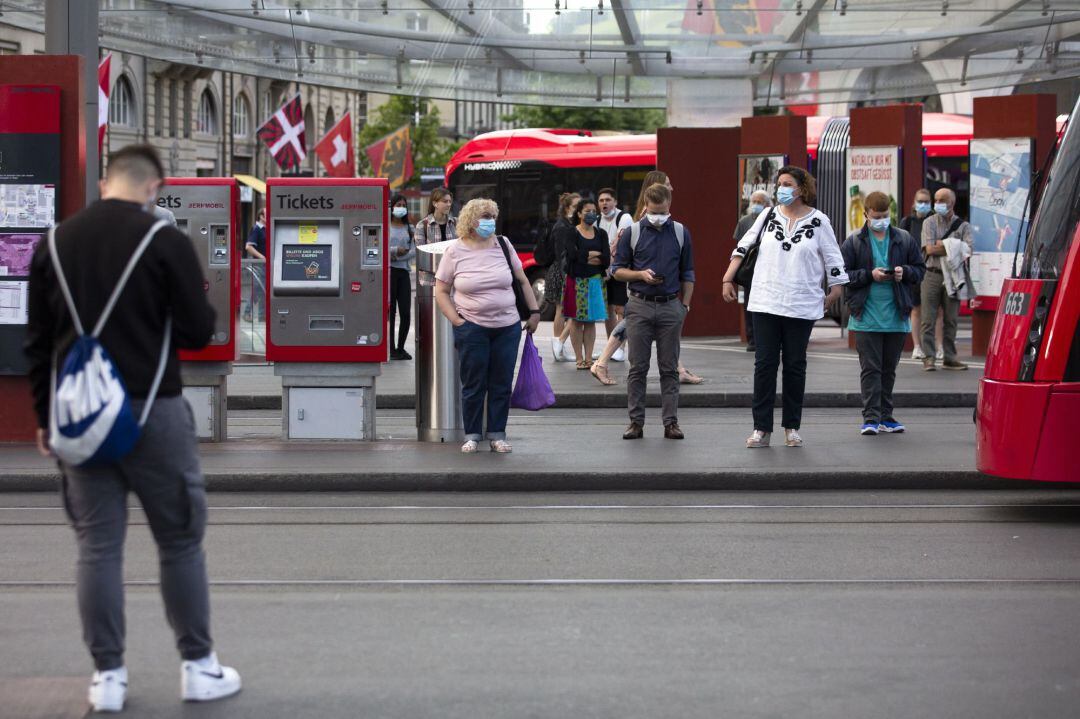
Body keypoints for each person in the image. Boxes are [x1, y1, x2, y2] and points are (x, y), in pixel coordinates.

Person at [23, 144, 241, 713]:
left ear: (104, 183)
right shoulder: (164, 240)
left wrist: (47, 419)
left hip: (80, 419)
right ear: (153, 187)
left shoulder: (52, 243)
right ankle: (198, 667)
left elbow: (38, 345)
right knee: (179, 541)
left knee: (97, 548)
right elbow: (198, 333)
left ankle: (109, 679)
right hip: (154, 412)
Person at [722, 165, 847, 449]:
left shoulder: (819, 221)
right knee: (764, 365)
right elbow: (744, 246)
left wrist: (836, 288)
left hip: (801, 303)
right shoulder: (767, 215)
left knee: (794, 365)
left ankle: (791, 426)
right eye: (779, 184)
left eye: (787, 183)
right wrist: (727, 278)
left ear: (802, 189)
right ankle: (761, 428)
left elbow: (832, 255)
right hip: (766, 300)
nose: (782, 189)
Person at [434, 197, 541, 454]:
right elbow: (441, 290)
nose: (490, 222)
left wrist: (535, 311)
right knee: (473, 383)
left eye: (492, 216)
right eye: (485, 217)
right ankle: (472, 434)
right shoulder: (455, 251)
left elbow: (523, 280)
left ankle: (497, 434)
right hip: (472, 327)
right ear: (471, 221)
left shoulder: (503, 244)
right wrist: (457, 321)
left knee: (501, 383)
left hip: (507, 326)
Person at [591, 171, 703, 386]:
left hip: (649, 286)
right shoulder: (651, 215)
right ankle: (602, 362)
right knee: (634, 322)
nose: (672, 188)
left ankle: (676, 368)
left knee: (649, 324)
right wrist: (641, 274)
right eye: (668, 184)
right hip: (640, 284)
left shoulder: (661, 217)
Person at [611, 182, 694, 440]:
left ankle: (671, 423)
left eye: (663, 210)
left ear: (669, 205)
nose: (658, 216)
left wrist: (685, 305)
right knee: (638, 367)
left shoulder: (681, 232)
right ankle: (636, 422)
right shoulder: (632, 232)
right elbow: (616, 270)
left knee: (669, 368)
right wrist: (640, 275)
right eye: (654, 211)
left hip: (671, 305)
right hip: (639, 304)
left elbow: (688, 272)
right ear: (645, 206)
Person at [841, 191, 926, 435]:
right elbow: (843, 274)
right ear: (866, 214)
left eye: (886, 215)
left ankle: (886, 417)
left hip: (896, 316)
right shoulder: (854, 241)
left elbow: (919, 270)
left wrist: (904, 273)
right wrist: (870, 275)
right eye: (877, 216)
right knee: (871, 369)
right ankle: (870, 418)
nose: (882, 220)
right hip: (865, 315)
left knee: (889, 370)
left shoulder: (903, 238)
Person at [920, 188, 971, 371]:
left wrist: (943, 245)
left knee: (951, 320)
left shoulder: (963, 225)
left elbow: (968, 250)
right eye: (936, 199)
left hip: (953, 276)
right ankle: (929, 357)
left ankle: (950, 357)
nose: (938, 203)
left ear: (952, 203)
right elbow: (930, 249)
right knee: (928, 319)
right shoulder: (929, 222)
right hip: (932, 274)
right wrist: (954, 247)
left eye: (942, 199)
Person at [562, 197, 610, 368]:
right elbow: (573, 256)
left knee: (590, 321)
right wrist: (593, 254)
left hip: (596, 281)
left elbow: (606, 259)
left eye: (593, 211)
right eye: (587, 211)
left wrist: (587, 255)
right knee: (576, 320)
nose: (591, 214)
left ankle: (589, 359)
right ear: (579, 213)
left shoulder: (601, 233)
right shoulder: (571, 232)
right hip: (577, 281)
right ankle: (579, 359)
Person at [900, 189, 941, 360]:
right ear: (914, 203)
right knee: (916, 310)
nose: (923, 204)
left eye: (926, 201)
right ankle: (917, 347)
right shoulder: (907, 222)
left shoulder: (934, 222)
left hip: (932, 270)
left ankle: (939, 348)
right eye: (920, 201)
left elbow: (938, 244)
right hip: (914, 271)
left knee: (938, 311)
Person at [733, 190, 771, 352]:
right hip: (749, 270)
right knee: (749, 305)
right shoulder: (744, 221)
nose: (755, 205)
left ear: (767, 204)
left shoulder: (772, 221)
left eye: (759, 202)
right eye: (753, 201)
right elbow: (738, 245)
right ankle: (752, 339)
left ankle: (768, 338)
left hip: (768, 270)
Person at [597, 186, 632, 359]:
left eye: (608, 200)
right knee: (607, 310)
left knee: (621, 309)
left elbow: (616, 245)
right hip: (604, 271)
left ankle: (621, 348)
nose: (605, 203)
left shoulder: (624, 218)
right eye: (601, 200)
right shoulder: (596, 221)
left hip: (620, 269)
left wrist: (610, 268)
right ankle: (611, 346)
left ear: (615, 202)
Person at [545, 192, 579, 362]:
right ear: (567, 208)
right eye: (576, 206)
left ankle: (559, 347)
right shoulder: (562, 227)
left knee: (563, 309)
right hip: (563, 270)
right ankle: (559, 344)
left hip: (562, 269)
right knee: (563, 309)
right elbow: (561, 254)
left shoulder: (566, 224)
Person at [388, 194, 416, 360]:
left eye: (403, 205)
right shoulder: (385, 226)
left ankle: (401, 347)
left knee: (405, 312)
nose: (401, 207)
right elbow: (380, 246)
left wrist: (397, 255)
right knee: (390, 313)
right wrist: (394, 250)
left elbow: (413, 251)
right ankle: (391, 349)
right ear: (392, 207)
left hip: (403, 272)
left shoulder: (410, 228)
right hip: (389, 273)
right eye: (398, 204)